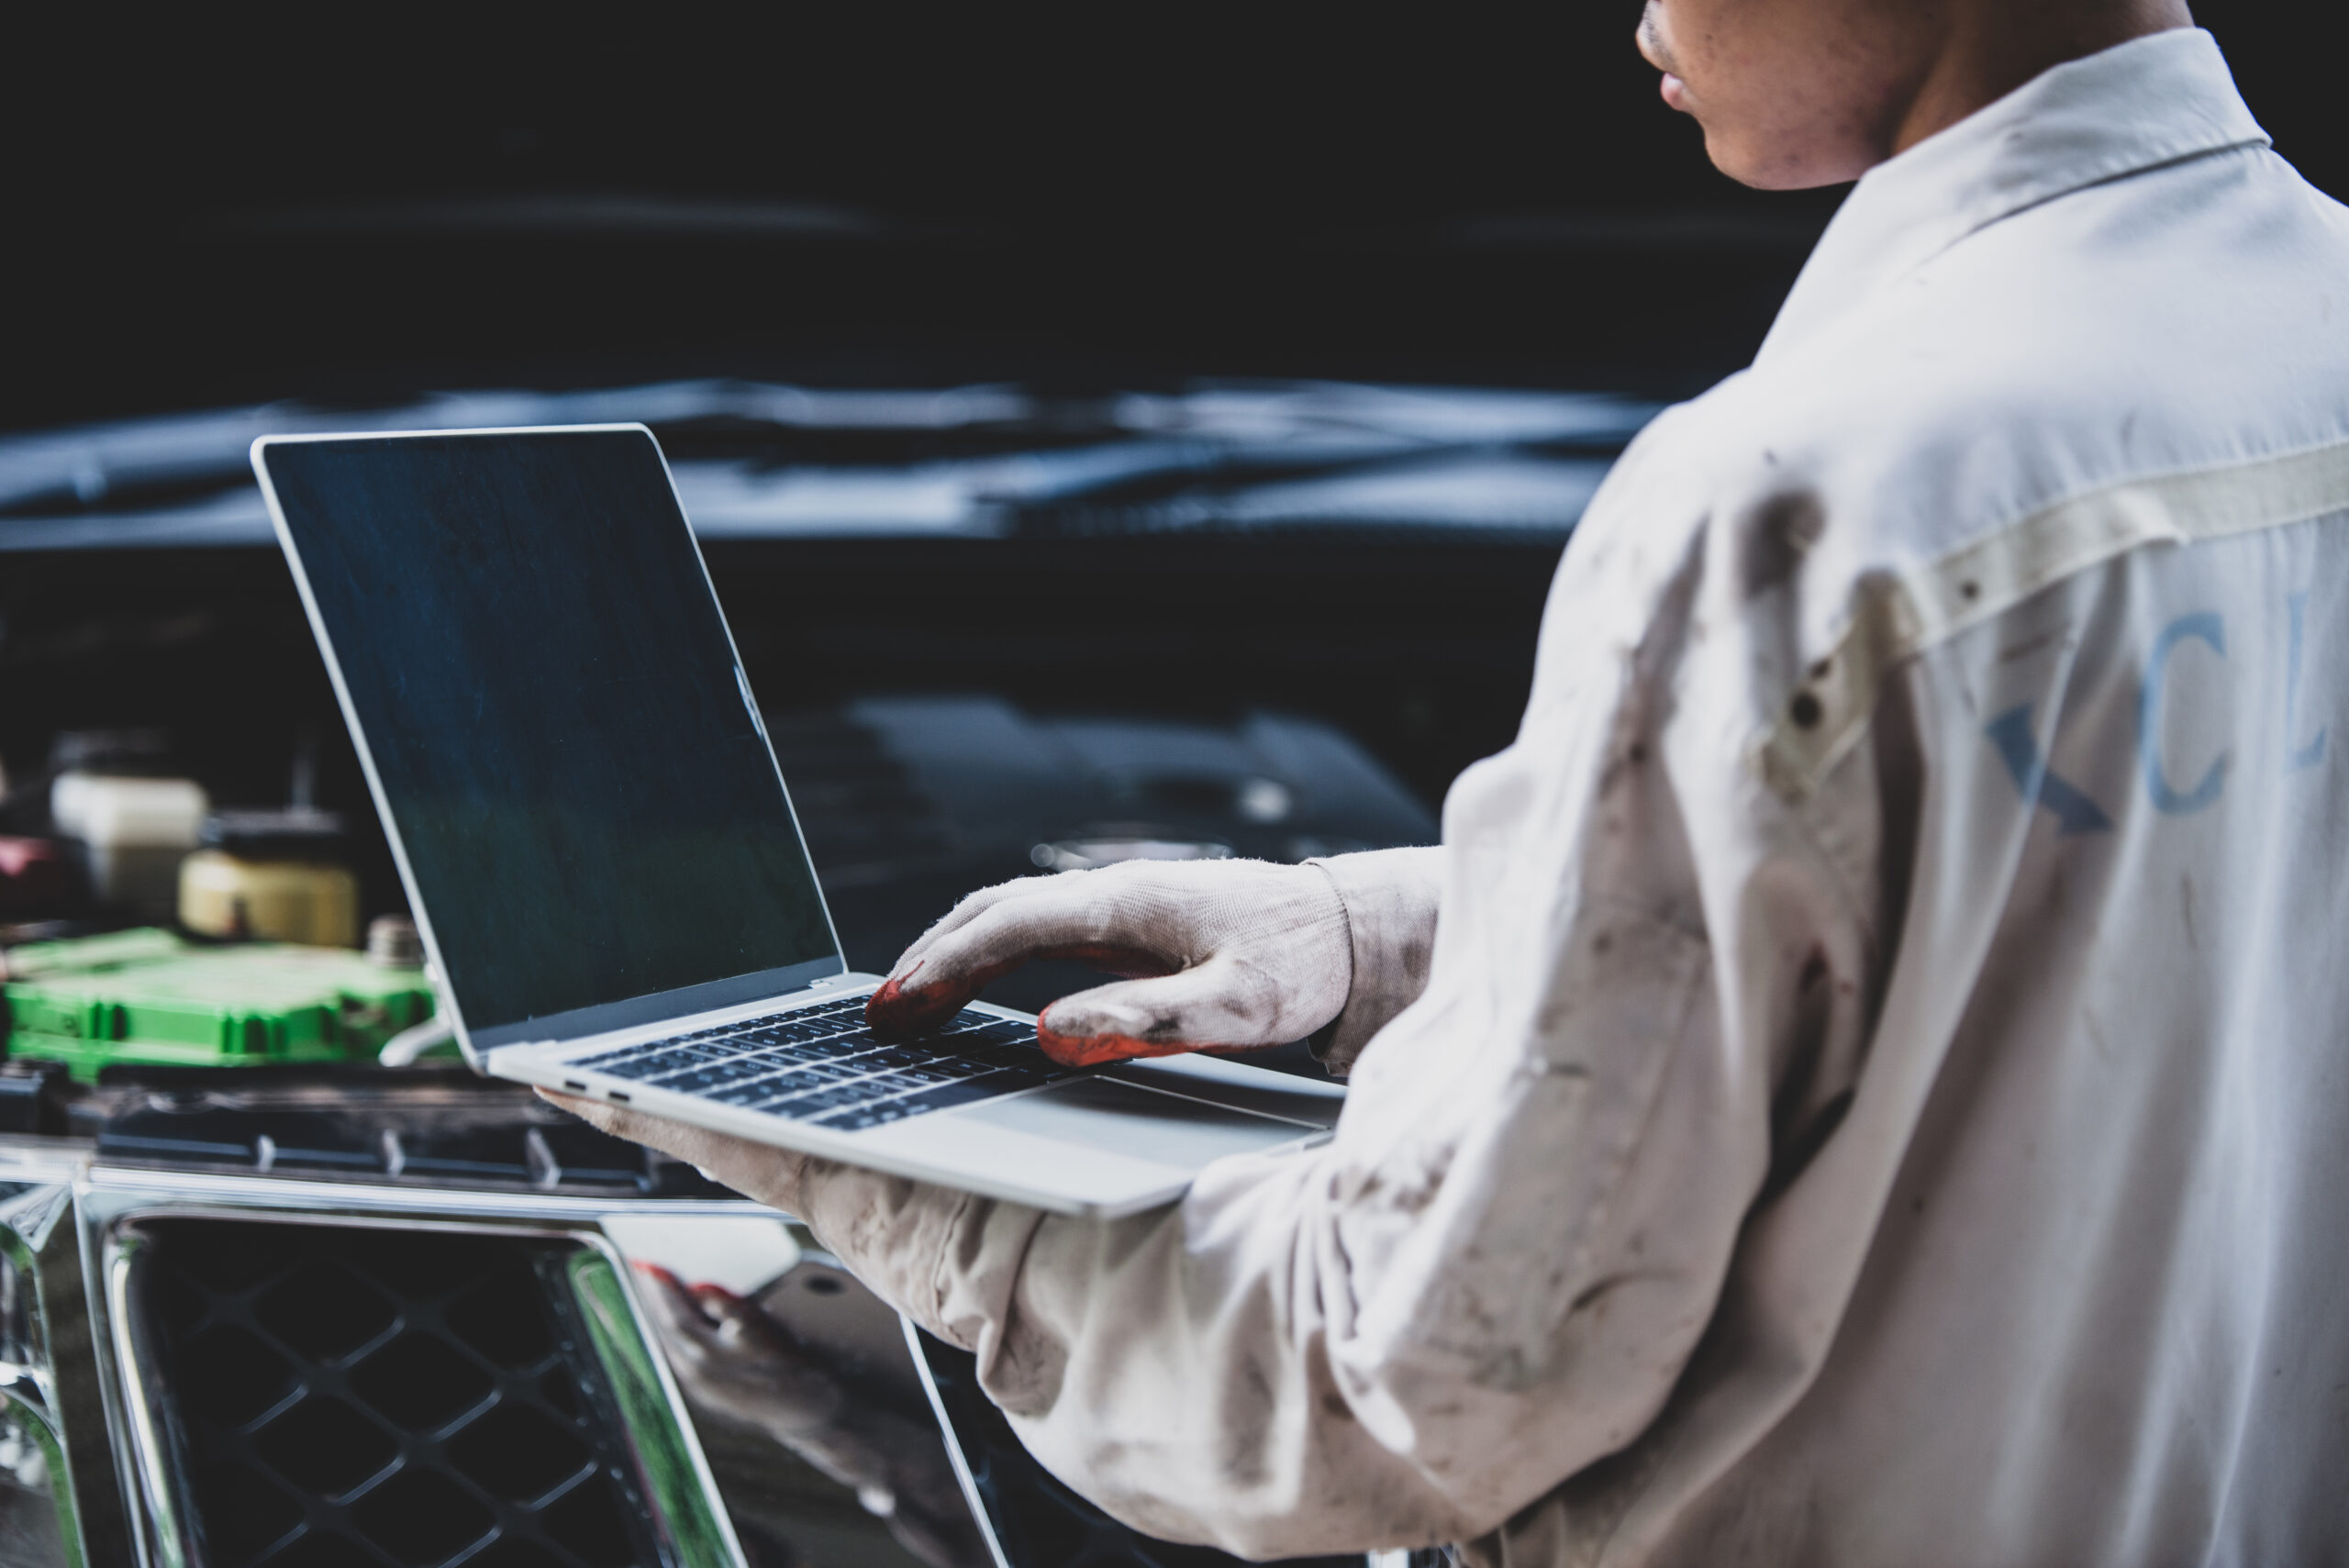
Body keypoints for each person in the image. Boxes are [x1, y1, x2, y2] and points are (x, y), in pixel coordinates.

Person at [554, 0, 2349, 1560]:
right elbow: (2074, 903)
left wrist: (871, 1176)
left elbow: (1400, 1379)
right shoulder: (2304, 342)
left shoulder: (1793, 496)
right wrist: (1371, 929)